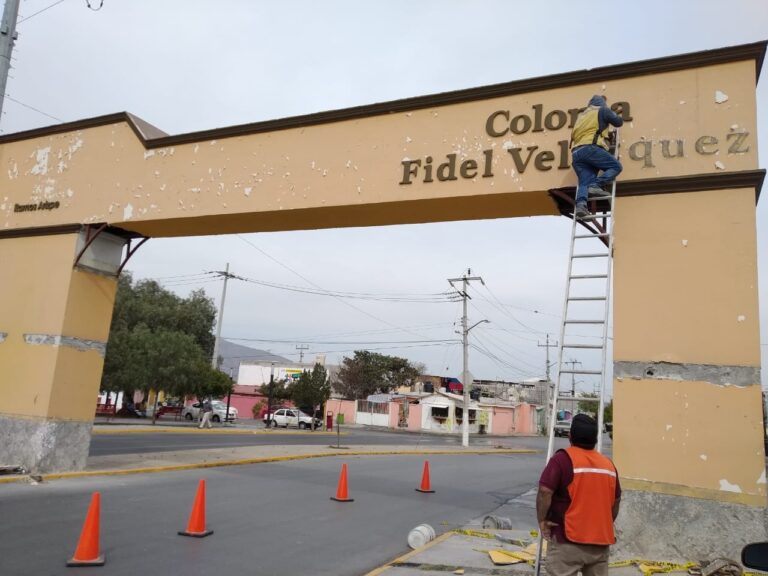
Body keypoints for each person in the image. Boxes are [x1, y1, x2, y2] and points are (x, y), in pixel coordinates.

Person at [536, 414, 621, 576]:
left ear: (570, 436)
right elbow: (616, 501)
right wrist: (604, 524)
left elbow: (545, 492)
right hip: (599, 545)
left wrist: (542, 520)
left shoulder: (562, 460)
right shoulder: (608, 466)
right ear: (595, 440)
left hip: (567, 541)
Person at [570, 95, 624, 219]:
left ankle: (581, 205)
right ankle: (595, 185)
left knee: (584, 181)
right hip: (591, 148)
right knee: (616, 166)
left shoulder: (580, 117)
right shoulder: (602, 110)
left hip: (576, 153)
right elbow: (618, 122)